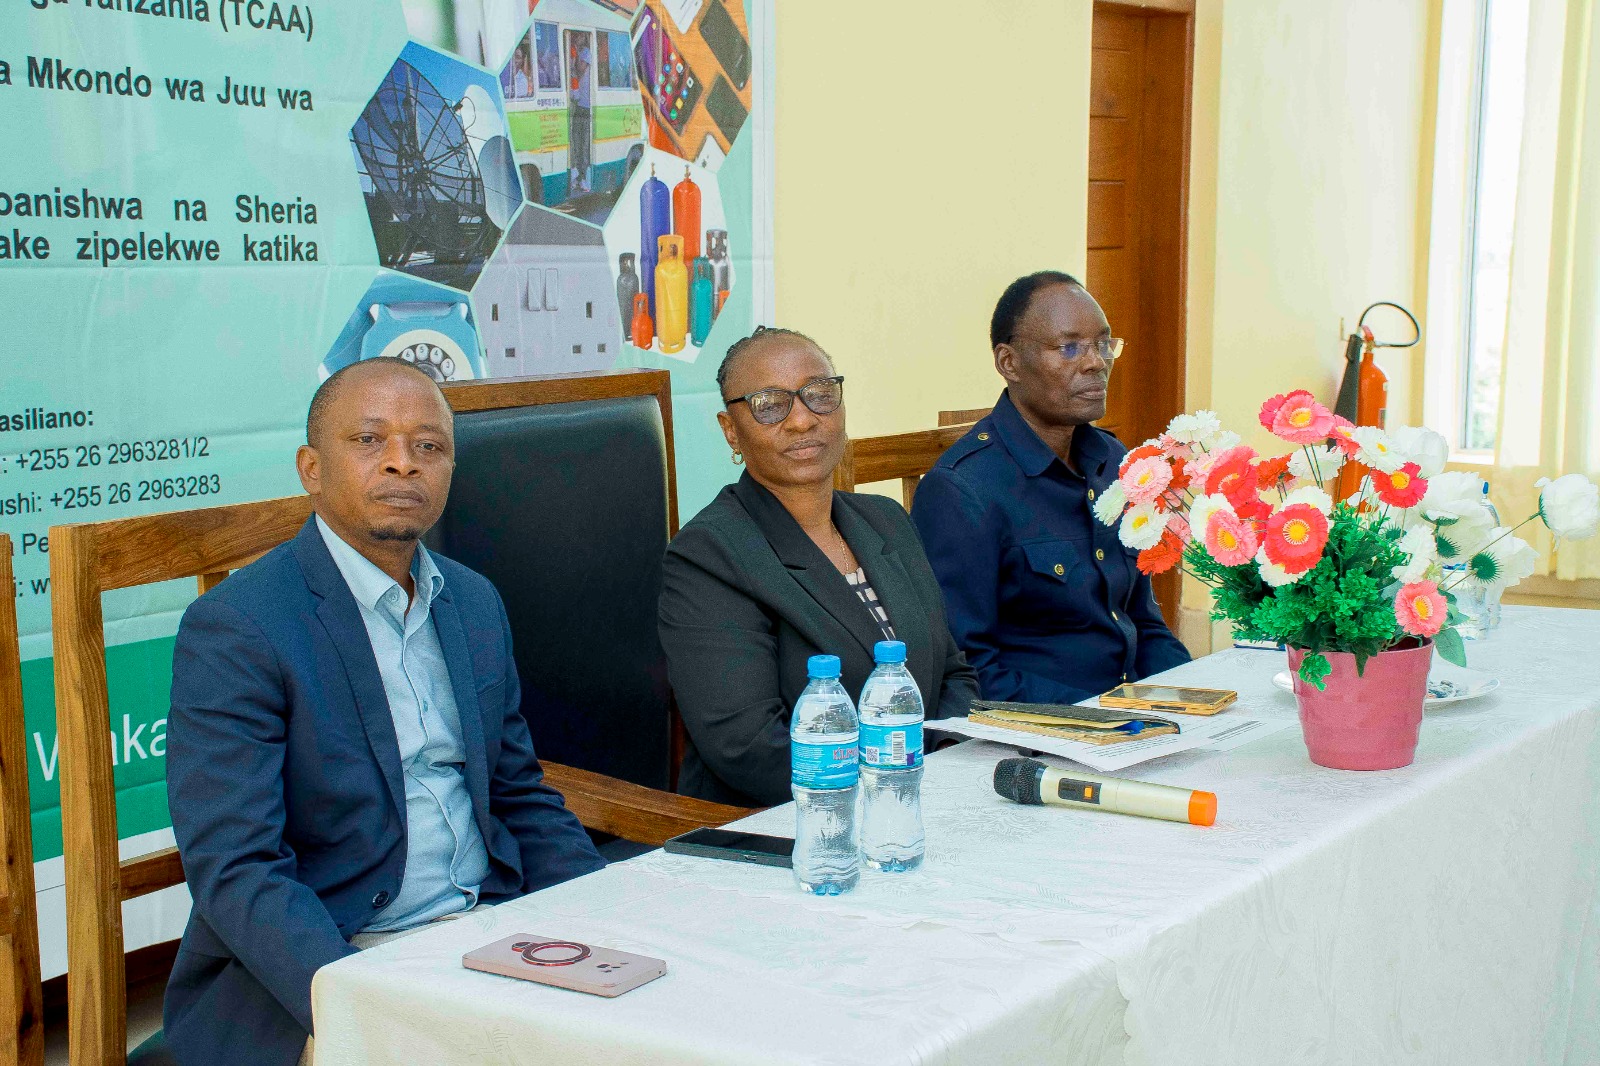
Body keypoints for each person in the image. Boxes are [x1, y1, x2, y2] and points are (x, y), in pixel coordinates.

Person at [162, 358, 605, 1066]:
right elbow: (237, 867)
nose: (404, 463)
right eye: (369, 441)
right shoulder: (239, 627)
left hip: (489, 931)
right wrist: (361, 1002)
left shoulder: (473, 600)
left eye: (428, 445)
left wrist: (606, 916)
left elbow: (518, 792)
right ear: (311, 469)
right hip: (335, 956)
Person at [659, 327, 979, 808]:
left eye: (820, 394)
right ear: (731, 430)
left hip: (929, 796)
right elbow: (749, 749)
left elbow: (954, 675)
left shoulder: (887, 520)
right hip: (792, 822)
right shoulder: (709, 555)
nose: (803, 420)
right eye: (770, 404)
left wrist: (937, 771)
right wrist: (899, 780)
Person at [911, 271, 1191, 705]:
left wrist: (1197, 693)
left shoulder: (1112, 460)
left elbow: (1143, 622)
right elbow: (966, 668)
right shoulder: (962, 490)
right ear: (1009, 363)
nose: (1096, 362)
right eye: (1070, 347)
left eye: (1104, 343)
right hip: (1044, 727)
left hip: (1130, 713)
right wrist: (1106, 716)